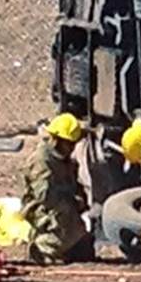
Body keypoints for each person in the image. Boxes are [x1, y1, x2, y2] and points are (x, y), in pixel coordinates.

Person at [21, 113, 93, 264]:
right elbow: (45, 196)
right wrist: (69, 201)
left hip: (63, 204)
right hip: (43, 209)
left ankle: (65, 243)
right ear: (56, 140)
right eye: (69, 143)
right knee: (63, 223)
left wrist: (79, 199)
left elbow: (74, 184)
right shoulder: (41, 161)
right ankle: (42, 247)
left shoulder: (64, 159)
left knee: (84, 248)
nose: (72, 148)